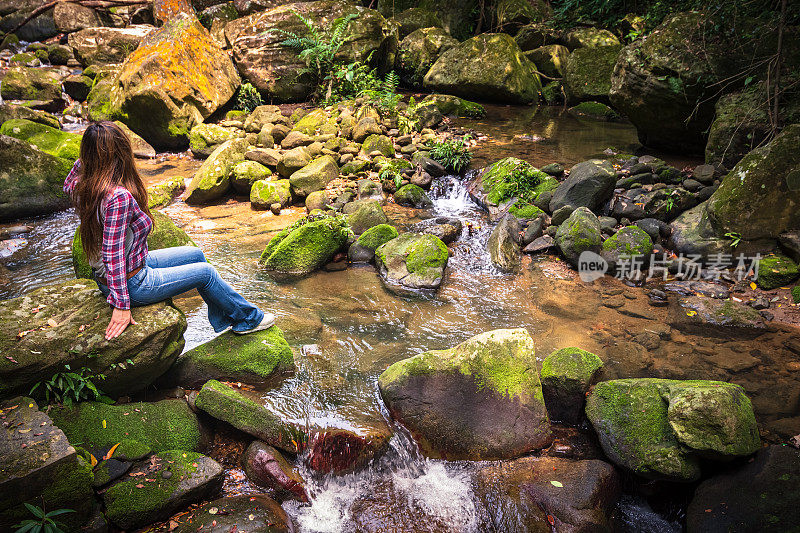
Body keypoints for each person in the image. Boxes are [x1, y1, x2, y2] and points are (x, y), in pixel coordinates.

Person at [65, 121, 274, 340]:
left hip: (133, 264)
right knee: (206, 273)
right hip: (133, 282)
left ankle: (226, 317)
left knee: (196, 254)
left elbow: (70, 179)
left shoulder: (82, 184)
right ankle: (247, 320)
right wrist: (121, 305)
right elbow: (112, 254)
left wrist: (92, 153)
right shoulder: (117, 197)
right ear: (120, 153)